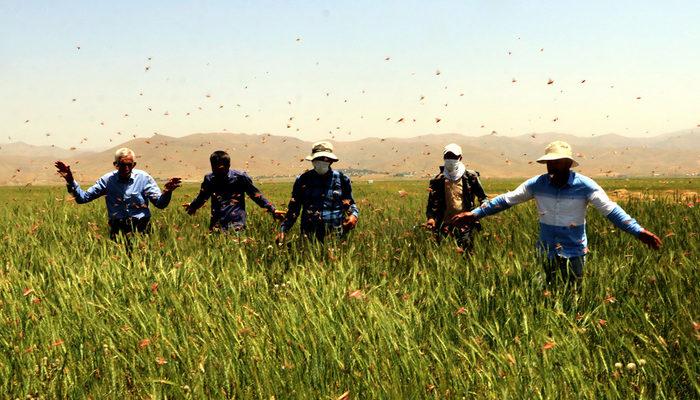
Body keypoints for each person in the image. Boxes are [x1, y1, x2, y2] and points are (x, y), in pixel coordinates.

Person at [449, 141, 662, 286]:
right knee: (546, 295)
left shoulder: (586, 186)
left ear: (569, 163)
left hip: (575, 252)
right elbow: (507, 200)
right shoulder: (537, 184)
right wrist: (475, 214)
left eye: (556, 161)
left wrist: (638, 231)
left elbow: (611, 210)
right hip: (546, 252)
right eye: (549, 162)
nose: (551, 166)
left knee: (573, 294)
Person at [55, 147, 181, 240]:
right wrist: (70, 179)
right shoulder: (107, 180)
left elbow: (160, 204)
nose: (126, 168)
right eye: (122, 165)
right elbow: (82, 198)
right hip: (118, 230)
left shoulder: (144, 178)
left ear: (134, 165)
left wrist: (167, 192)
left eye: (129, 165)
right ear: (115, 165)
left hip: (142, 230)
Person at [276, 141, 359, 243]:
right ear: (312, 160)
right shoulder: (302, 179)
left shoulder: (342, 179)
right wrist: (283, 230)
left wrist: (353, 215)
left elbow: (350, 203)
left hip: (336, 236)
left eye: (325, 159)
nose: (322, 161)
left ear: (331, 161)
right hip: (309, 236)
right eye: (318, 159)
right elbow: (293, 210)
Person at [183, 150, 285, 231]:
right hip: (216, 224)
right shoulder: (209, 179)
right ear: (211, 166)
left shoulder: (240, 177)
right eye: (215, 168)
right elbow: (203, 196)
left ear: (228, 165)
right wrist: (193, 206)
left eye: (221, 168)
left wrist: (272, 210)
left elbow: (255, 195)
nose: (218, 171)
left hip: (237, 224)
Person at [426, 143, 488, 253]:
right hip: (444, 224)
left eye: (454, 157)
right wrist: (431, 218)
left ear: (460, 158)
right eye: (448, 157)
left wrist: (482, 207)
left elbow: (483, 197)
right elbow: (431, 204)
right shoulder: (437, 180)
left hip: (465, 223)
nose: (450, 159)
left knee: (467, 254)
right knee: (443, 255)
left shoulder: (470, 177)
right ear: (444, 158)